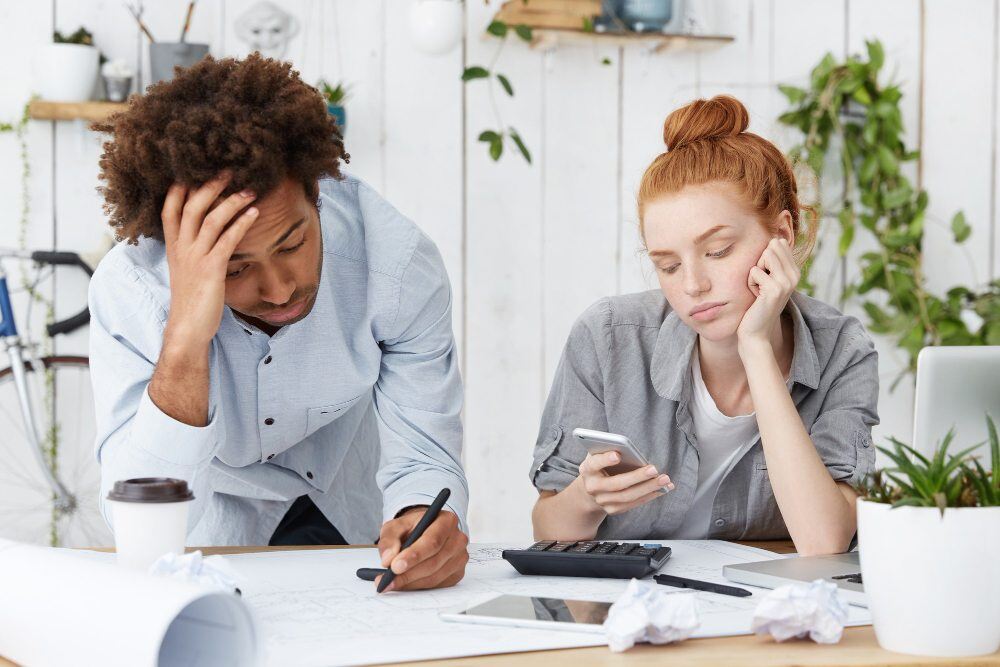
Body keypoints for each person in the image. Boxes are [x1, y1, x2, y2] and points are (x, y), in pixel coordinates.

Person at [89, 54, 468, 590]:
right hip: (207, 527)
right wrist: (186, 337)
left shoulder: (397, 267)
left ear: (317, 194)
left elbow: (425, 449)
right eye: (236, 268)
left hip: (349, 513)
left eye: (292, 243)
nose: (280, 288)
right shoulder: (132, 290)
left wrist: (424, 520)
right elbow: (136, 520)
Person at [530, 95, 879, 555]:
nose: (693, 285)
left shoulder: (842, 350)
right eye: (669, 265)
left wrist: (755, 345)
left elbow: (823, 541)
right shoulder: (608, 337)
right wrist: (586, 498)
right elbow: (546, 528)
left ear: (782, 235)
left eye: (717, 252)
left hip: (761, 611)